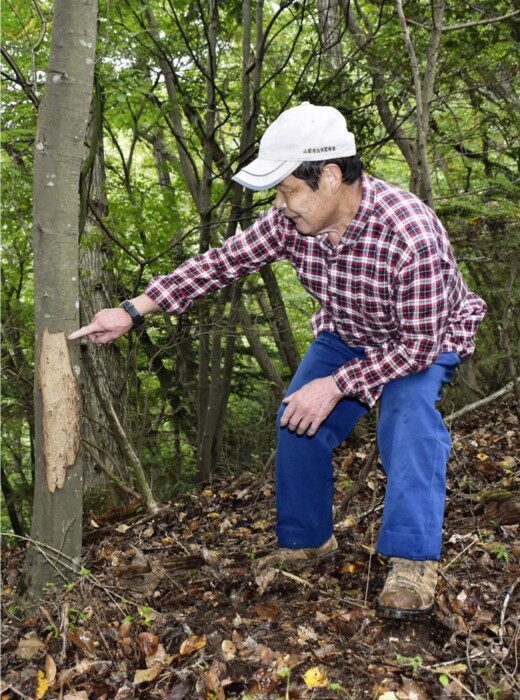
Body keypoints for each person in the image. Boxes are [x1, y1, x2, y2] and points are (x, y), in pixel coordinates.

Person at [70, 102, 486, 620]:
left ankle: (412, 561)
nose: (281, 203)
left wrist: (337, 384)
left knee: (408, 419)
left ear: (331, 177)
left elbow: (420, 344)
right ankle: (309, 541)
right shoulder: (290, 224)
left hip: (421, 336)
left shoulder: (410, 233)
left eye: (288, 189)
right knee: (296, 417)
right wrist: (133, 310)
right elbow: (219, 264)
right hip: (348, 332)